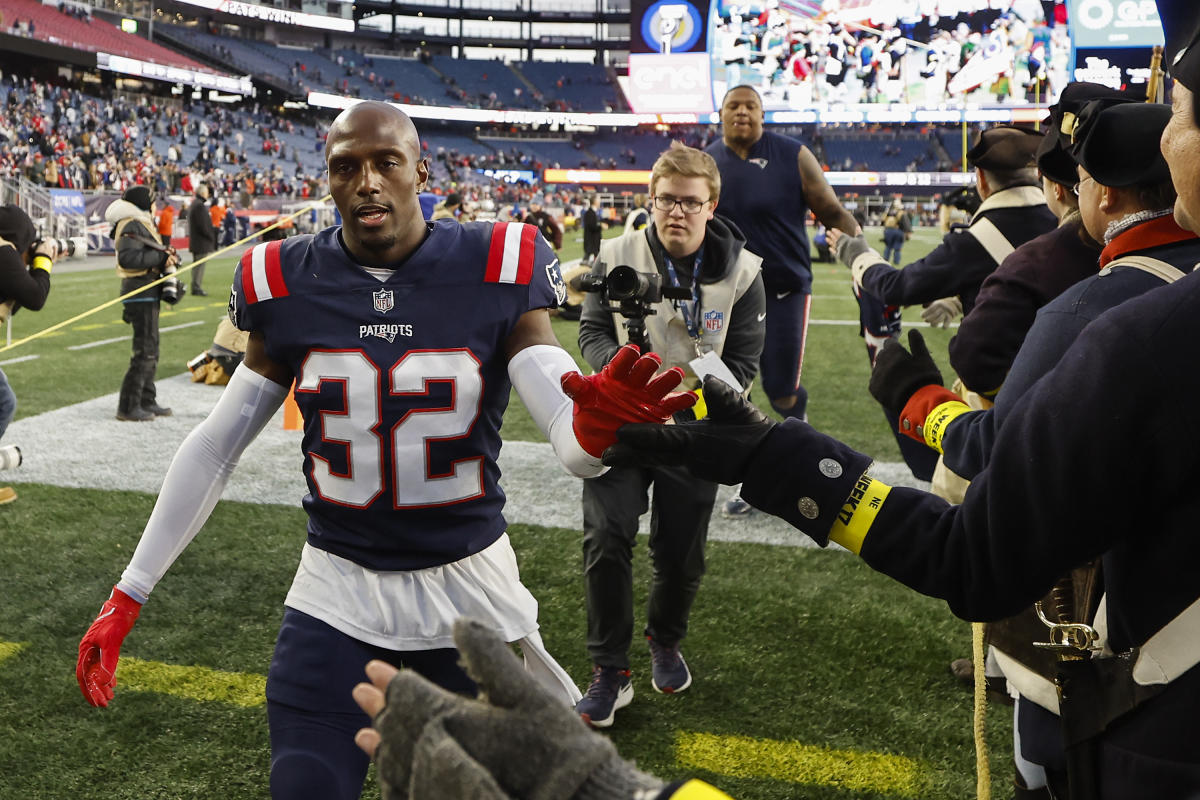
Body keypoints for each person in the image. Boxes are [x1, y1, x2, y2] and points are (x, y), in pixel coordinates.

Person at [600, 35, 1200, 793]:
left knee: (1036, 751)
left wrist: (784, 447)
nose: (1170, 132)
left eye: (1178, 112)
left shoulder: (1125, 322)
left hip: (1150, 717)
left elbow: (975, 554)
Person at [75, 101, 694, 800]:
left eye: (385, 163)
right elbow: (219, 443)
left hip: (466, 592)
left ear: (420, 172)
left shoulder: (499, 260)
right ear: (330, 182)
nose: (366, 182)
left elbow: (563, 423)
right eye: (346, 168)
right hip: (335, 589)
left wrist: (592, 430)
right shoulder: (283, 280)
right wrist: (129, 592)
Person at [874, 98, 1194, 799]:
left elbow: (995, 455)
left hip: (1119, 632)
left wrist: (912, 399)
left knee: (1041, 762)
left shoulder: (1086, 307)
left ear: (1102, 190)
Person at [574, 142, 765, 728]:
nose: (676, 212)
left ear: (712, 206)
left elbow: (745, 363)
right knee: (606, 539)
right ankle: (609, 667)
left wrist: (678, 398)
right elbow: (590, 333)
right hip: (623, 425)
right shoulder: (614, 253)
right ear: (650, 201)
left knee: (680, 555)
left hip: (695, 431)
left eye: (689, 202)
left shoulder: (745, 272)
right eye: (665, 201)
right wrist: (622, 381)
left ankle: (665, 639)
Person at [829, 125, 1057, 481]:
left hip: (1003, 396)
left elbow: (894, 287)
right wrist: (958, 298)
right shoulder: (1070, 220)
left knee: (904, 393)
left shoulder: (973, 242)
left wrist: (857, 255)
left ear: (980, 179)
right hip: (1069, 384)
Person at [706, 84, 860, 515]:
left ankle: (800, 447)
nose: (742, 112)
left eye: (750, 106)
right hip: (725, 292)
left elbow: (830, 209)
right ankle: (755, 476)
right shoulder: (706, 161)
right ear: (720, 114)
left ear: (762, 114)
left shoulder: (792, 154)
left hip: (784, 287)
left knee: (783, 390)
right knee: (731, 390)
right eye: (733, 105)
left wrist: (863, 252)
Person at [107, 185, 179, 422]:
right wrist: (160, 257)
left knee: (151, 349)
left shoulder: (138, 221)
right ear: (143, 203)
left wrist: (163, 257)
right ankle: (128, 406)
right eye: (152, 201)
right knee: (144, 351)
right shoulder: (131, 222)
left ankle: (147, 399)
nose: (155, 206)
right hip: (140, 291)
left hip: (147, 290)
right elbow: (128, 259)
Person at [0, 204, 56, 505]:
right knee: (3, 402)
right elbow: (35, 298)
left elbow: (12, 300)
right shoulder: (4, 250)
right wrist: (43, 262)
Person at [186, 183, 217, 296]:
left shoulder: (195, 204)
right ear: (203, 193)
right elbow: (203, 225)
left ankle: (196, 286)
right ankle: (196, 287)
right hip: (200, 242)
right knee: (199, 267)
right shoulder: (199, 205)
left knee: (197, 266)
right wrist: (211, 236)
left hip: (197, 241)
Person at [880, 198, 911, 265]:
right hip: (898, 231)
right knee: (897, 248)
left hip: (888, 231)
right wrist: (908, 233)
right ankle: (896, 261)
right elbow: (906, 224)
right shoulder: (901, 213)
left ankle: (886, 260)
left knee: (888, 247)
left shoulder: (888, 212)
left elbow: (882, 221)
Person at [582, 195, 603, 263]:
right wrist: (601, 226)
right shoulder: (590, 213)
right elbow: (592, 226)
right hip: (591, 241)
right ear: (595, 202)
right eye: (599, 200)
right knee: (587, 260)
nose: (600, 202)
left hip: (594, 242)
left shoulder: (593, 212)